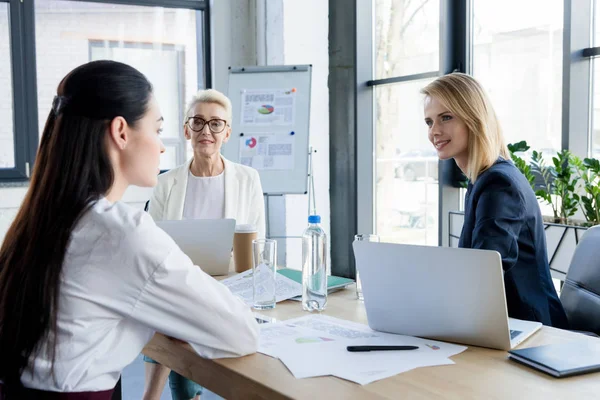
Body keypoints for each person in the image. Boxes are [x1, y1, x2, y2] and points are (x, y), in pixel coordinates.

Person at [0, 60, 259, 400]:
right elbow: (241, 334)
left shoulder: (44, 218)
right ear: (121, 132)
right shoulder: (121, 232)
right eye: (157, 129)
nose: (162, 146)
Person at [421, 73, 569, 329]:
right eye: (429, 121)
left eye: (446, 117)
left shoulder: (499, 184)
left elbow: (483, 276)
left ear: (473, 118)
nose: (434, 131)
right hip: (502, 324)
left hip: (531, 330)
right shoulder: (482, 179)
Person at [143, 90, 265, 399]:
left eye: (215, 123)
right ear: (186, 130)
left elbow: (256, 246)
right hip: (177, 288)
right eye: (197, 122)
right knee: (171, 327)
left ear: (227, 131)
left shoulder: (247, 179)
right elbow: (151, 245)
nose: (205, 131)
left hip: (228, 289)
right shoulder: (166, 182)